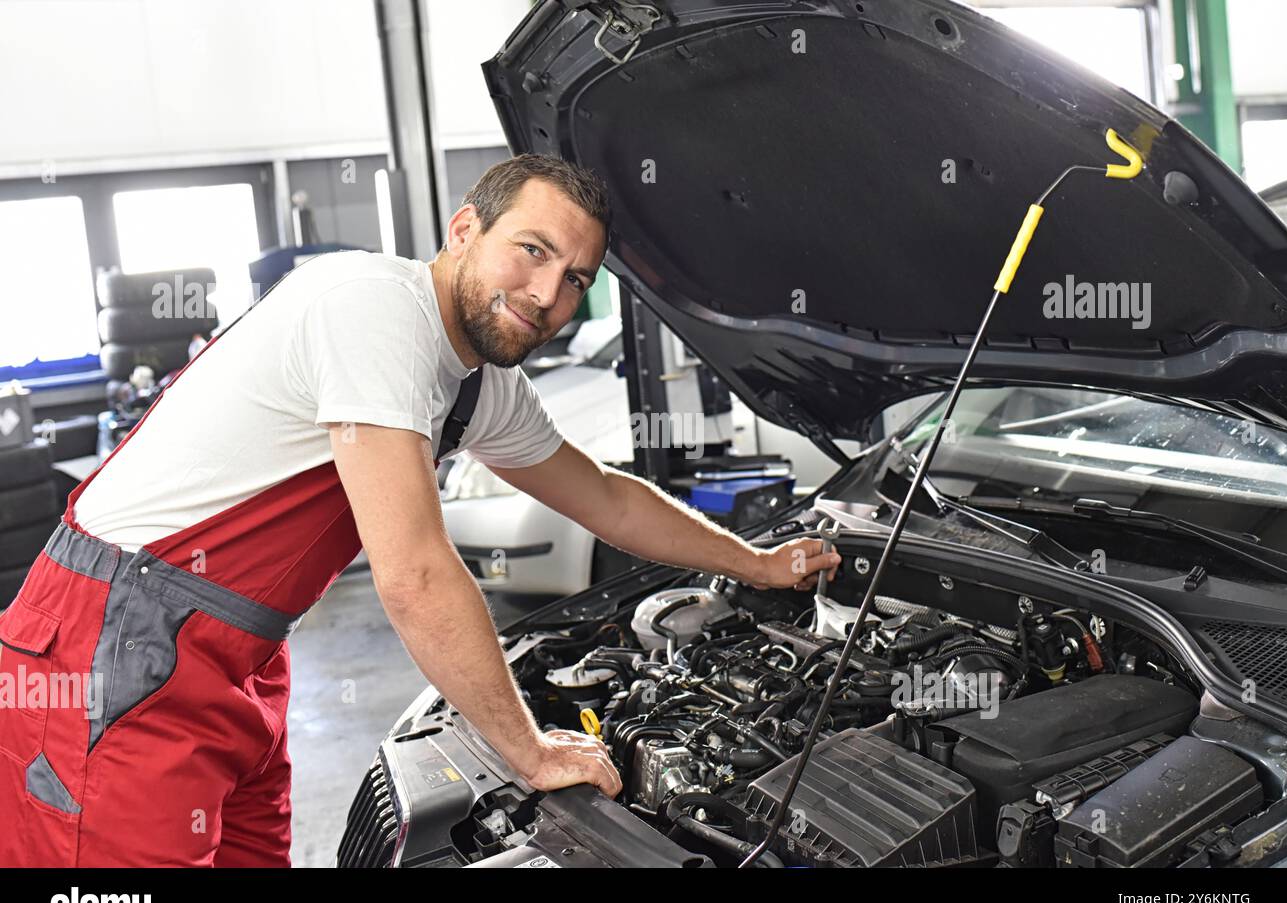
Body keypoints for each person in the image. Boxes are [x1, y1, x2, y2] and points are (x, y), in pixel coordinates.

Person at [0, 154, 839, 867]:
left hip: (240, 650)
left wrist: (757, 562)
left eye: (575, 277)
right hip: (114, 640)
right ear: (464, 229)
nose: (548, 294)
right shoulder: (374, 307)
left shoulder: (478, 386)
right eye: (532, 250)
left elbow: (610, 498)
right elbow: (413, 572)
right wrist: (532, 750)